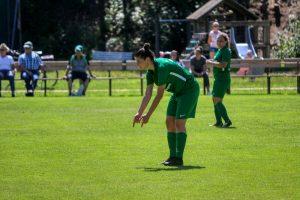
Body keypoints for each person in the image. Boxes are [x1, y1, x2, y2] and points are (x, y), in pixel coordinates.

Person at [133, 43, 200, 166]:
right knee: (169, 122)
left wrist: (148, 115)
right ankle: (172, 157)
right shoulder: (150, 72)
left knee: (179, 123)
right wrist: (139, 113)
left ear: (147, 59)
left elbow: (159, 95)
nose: (137, 64)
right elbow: (147, 94)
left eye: (138, 61)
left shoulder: (161, 68)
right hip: (177, 92)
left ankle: (178, 158)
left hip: (189, 90)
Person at [206, 33, 232, 128]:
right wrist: (211, 61)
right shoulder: (219, 50)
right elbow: (217, 62)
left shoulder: (226, 51)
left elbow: (223, 65)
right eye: (218, 41)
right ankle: (218, 122)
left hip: (223, 79)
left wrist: (211, 63)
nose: (219, 43)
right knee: (215, 99)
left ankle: (227, 121)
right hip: (218, 79)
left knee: (217, 99)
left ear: (226, 42)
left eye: (221, 41)